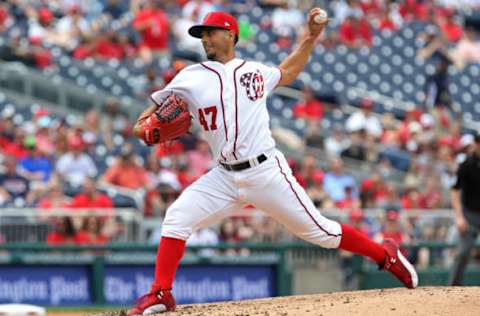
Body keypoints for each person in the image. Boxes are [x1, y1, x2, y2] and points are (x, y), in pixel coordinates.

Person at [129, 10, 418, 315]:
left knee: (323, 233)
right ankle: (161, 293)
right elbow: (145, 118)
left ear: (230, 34)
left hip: (265, 171)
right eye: (201, 35)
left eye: (210, 32)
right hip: (224, 176)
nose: (205, 39)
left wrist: (311, 37)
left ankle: (387, 256)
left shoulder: (255, 71)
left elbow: (289, 71)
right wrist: (144, 128)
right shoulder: (190, 76)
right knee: (176, 218)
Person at [449, 134, 480, 285]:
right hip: (470, 214)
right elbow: (455, 190)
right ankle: (453, 289)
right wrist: (459, 217)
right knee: (463, 252)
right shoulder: (466, 164)